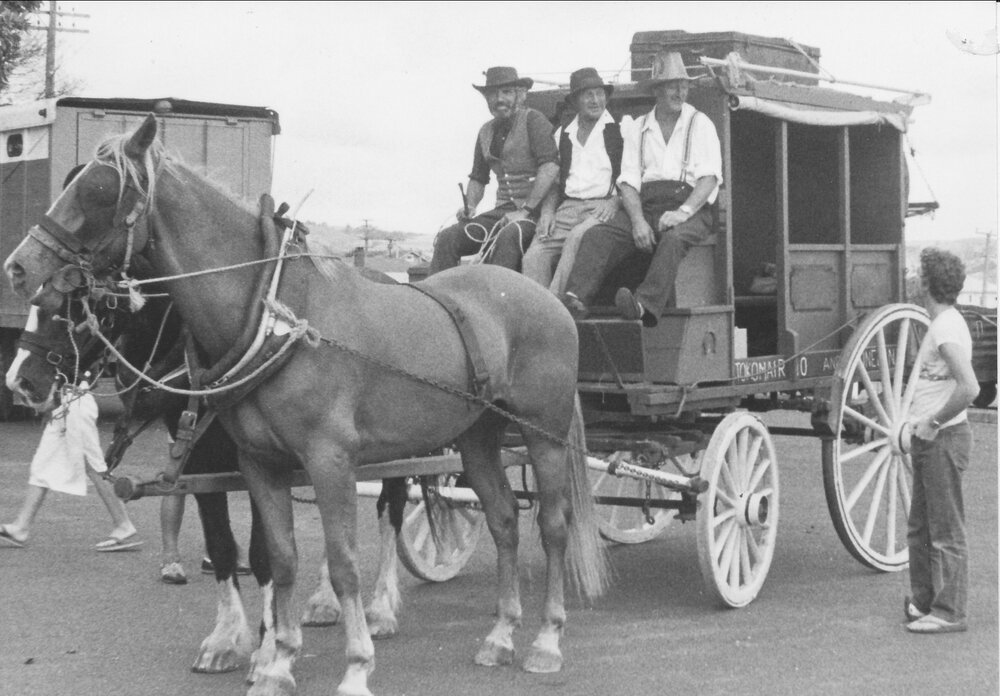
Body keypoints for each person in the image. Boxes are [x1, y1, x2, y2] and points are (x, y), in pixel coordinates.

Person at [559, 51, 722, 326]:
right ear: (657, 90)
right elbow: (629, 181)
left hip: (693, 208)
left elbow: (709, 178)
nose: (680, 92)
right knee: (598, 235)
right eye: (673, 86)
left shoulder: (700, 123)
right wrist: (636, 222)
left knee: (672, 239)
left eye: (683, 86)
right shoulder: (639, 127)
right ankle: (575, 302)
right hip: (648, 206)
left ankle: (643, 305)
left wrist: (683, 212)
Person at [903, 247, 979, 634]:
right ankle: (924, 601)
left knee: (945, 529)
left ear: (930, 283)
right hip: (932, 439)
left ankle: (949, 612)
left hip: (943, 438)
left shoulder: (947, 328)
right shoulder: (945, 323)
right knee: (921, 527)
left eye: (919, 274)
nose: (914, 280)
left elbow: (969, 388)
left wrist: (932, 422)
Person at [429, 66, 559, 274]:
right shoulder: (485, 131)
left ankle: (496, 303)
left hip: (534, 214)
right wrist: (470, 206)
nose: (499, 99)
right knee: (448, 238)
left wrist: (525, 211)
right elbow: (478, 178)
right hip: (501, 212)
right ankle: (436, 302)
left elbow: (550, 167)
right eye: (493, 94)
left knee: (508, 236)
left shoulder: (534, 121)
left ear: (520, 95)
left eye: (506, 92)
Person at [522, 67, 631, 294]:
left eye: (600, 94)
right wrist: (547, 212)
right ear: (575, 101)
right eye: (587, 95)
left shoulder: (621, 128)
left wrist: (616, 201)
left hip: (602, 206)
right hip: (566, 208)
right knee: (534, 256)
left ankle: (555, 312)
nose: (595, 100)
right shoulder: (562, 133)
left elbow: (634, 174)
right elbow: (555, 183)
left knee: (577, 239)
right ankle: (537, 318)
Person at [0, 380, 142, 551]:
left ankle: (123, 524)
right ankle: (20, 527)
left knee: (94, 465)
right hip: (63, 405)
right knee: (42, 464)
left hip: (74, 402)